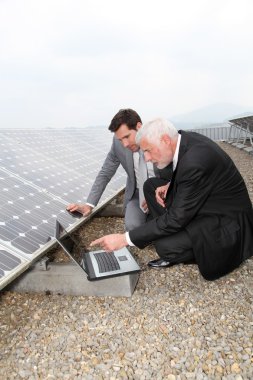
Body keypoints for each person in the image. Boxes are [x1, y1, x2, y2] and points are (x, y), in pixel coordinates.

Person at [90, 118, 253, 281]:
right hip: (206, 201)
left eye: (148, 150)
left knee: (164, 247)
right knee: (150, 186)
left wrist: (124, 239)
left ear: (165, 140)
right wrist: (171, 183)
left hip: (225, 220)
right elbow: (193, 175)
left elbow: (177, 217)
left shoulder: (195, 161)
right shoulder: (182, 139)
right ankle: (170, 232)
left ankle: (201, 250)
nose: (146, 158)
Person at [67, 109, 171, 230]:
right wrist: (89, 205)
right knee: (132, 227)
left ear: (139, 127)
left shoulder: (159, 139)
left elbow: (179, 169)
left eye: (127, 136)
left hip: (164, 191)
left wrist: (157, 195)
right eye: (121, 139)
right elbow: (105, 172)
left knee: (170, 225)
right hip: (137, 194)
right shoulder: (118, 144)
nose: (125, 144)